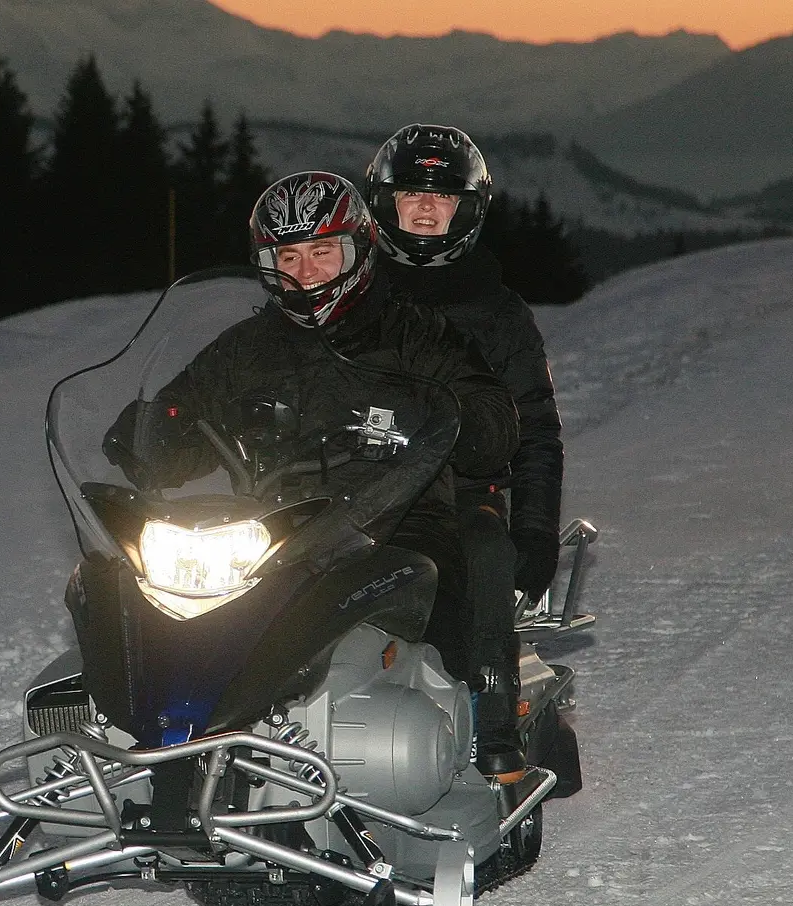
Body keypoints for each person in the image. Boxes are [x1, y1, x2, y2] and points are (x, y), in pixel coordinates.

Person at [110, 171, 519, 771]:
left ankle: (489, 729)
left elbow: (489, 416)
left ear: (356, 249)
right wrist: (150, 431)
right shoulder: (247, 348)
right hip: (275, 530)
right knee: (157, 594)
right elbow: (186, 412)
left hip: (397, 519)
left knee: (469, 559)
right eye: (288, 256)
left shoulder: (416, 335)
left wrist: (462, 422)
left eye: (322, 252)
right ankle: (166, 740)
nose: (305, 272)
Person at [363, 125, 565, 783]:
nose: (426, 207)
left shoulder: (497, 312)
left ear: (468, 209)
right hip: (350, 487)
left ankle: (491, 716)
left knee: (482, 546)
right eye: (412, 193)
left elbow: (534, 428)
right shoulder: (351, 296)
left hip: (459, 491)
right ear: (384, 203)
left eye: (444, 196)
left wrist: (532, 531)